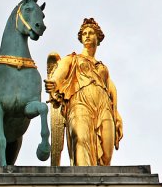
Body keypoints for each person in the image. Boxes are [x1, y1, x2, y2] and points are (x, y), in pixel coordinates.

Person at [44, 18, 122, 165]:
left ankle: (104, 186)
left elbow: (111, 90)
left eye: (91, 33)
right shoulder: (72, 58)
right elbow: (59, 72)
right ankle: (84, 183)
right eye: (84, 33)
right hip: (80, 103)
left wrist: (116, 114)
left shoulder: (103, 67)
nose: (87, 35)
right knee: (80, 139)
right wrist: (54, 83)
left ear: (98, 38)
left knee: (106, 155)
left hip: (104, 106)